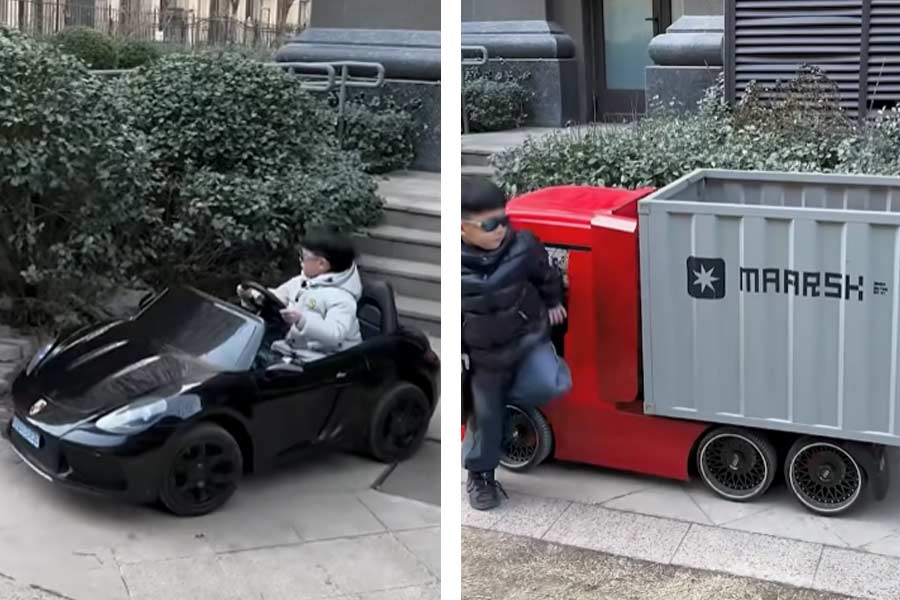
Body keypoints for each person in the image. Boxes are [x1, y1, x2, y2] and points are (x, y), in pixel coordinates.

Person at [461, 175, 568, 511]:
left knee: (553, 382)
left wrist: (554, 302)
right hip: (484, 357)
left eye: (504, 220)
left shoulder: (524, 245)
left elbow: (547, 276)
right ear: (462, 229)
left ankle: (499, 411)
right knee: (488, 412)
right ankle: (480, 476)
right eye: (490, 224)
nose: (500, 230)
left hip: (526, 339)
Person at [238, 227, 362, 364]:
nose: (300, 260)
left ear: (321, 264)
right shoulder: (301, 281)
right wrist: (254, 295)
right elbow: (277, 296)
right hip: (293, 348)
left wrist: (302, 320)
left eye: (303, 257)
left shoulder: (343, 298)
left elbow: (335, 334)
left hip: (324, 359)